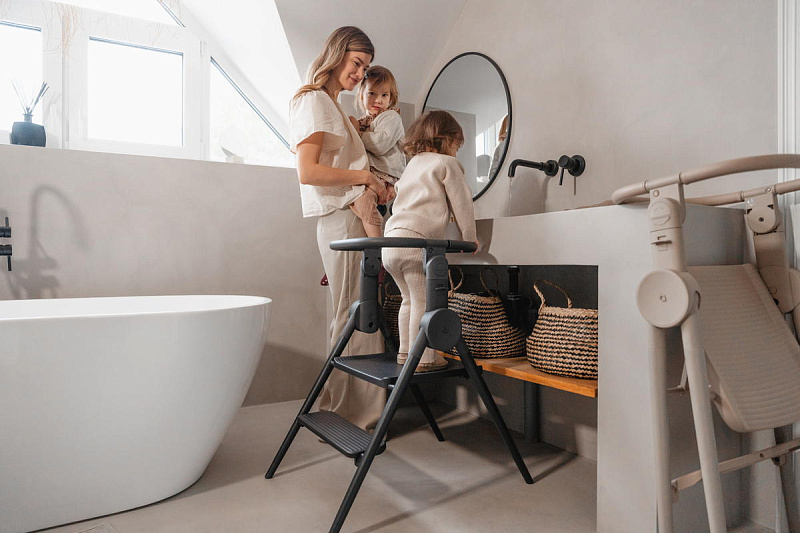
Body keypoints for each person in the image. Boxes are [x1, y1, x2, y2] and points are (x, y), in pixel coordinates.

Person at [289, 26, 388, 429]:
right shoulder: (315, 100)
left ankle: (341, 407)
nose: (360, 74)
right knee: (358, 316)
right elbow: (308, 171)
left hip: (345, 220)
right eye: (357, 63)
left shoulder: (330, 104)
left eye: (365, 68)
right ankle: (356, 415)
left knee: (352, 314)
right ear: (337, 53)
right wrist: (365, 179)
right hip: (344, 219)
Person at [382, 110, 478, 372]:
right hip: (416, 241)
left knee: (407, 300)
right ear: (446, 140)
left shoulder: (413, 165)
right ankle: (424, 359)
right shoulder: (446, 164)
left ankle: (405, 353)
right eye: (456, 147)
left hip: (392, 242)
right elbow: (462, 202)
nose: (456, 153)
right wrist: (470, 237)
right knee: (423, 302)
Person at [347, 66, 406, 238]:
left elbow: (380, 144)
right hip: (371, 174)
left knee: (363, 200)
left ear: (391, 98)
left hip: (385, 174)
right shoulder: (362, 122)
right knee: (355, 199)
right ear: (361, 95)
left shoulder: (391, 117)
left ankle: (377, 242)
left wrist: (358, 134)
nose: (378, 100)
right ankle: (374, 221)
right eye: (372, 93)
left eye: (384, 95)